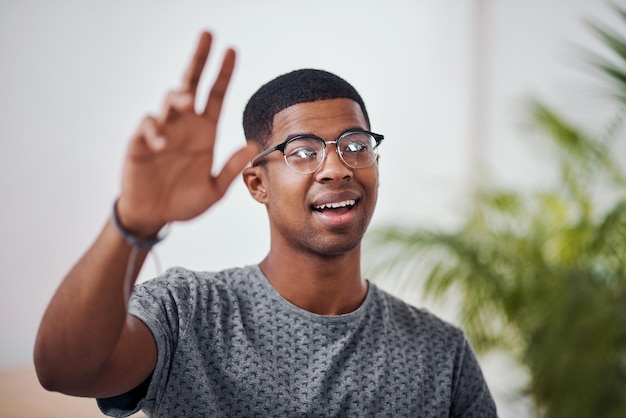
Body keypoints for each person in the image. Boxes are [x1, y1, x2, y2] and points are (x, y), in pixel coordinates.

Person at [34, 31, 498, 417]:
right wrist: (133, 221)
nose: (337, 168)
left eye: (355, 145)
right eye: (303, 151)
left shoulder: (442, 353)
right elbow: (64, 371)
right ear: (257, 184)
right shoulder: (186, 312)